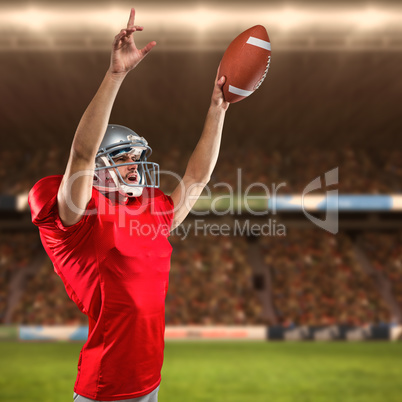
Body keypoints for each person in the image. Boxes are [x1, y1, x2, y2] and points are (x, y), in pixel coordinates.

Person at [28, 8, 229, 402]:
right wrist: (115, 75)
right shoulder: (79, 217)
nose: (134, 166)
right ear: (100, 169)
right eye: (123, 158)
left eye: (136, 158)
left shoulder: (150, 211)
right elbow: (83, 154)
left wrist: (217, 111)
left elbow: (196, 178)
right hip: (106, 387)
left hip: (149, 380)